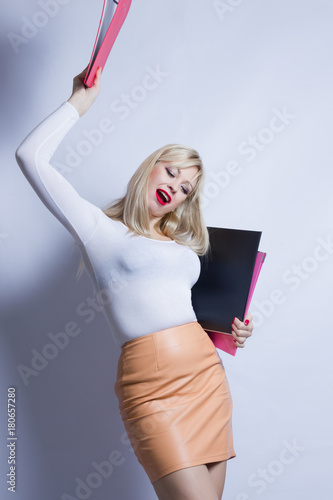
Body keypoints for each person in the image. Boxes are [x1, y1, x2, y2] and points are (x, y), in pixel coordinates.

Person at [15, 67, 254, 500]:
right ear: (152, 167)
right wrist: (79, 104)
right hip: (151, 387)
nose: (175, 187)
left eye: (185, 188)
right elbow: (30, 156)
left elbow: (182, 310)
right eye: (171, 172)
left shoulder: (183, 249)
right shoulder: (98, 230)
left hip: (207, 379)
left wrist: (231, 329)